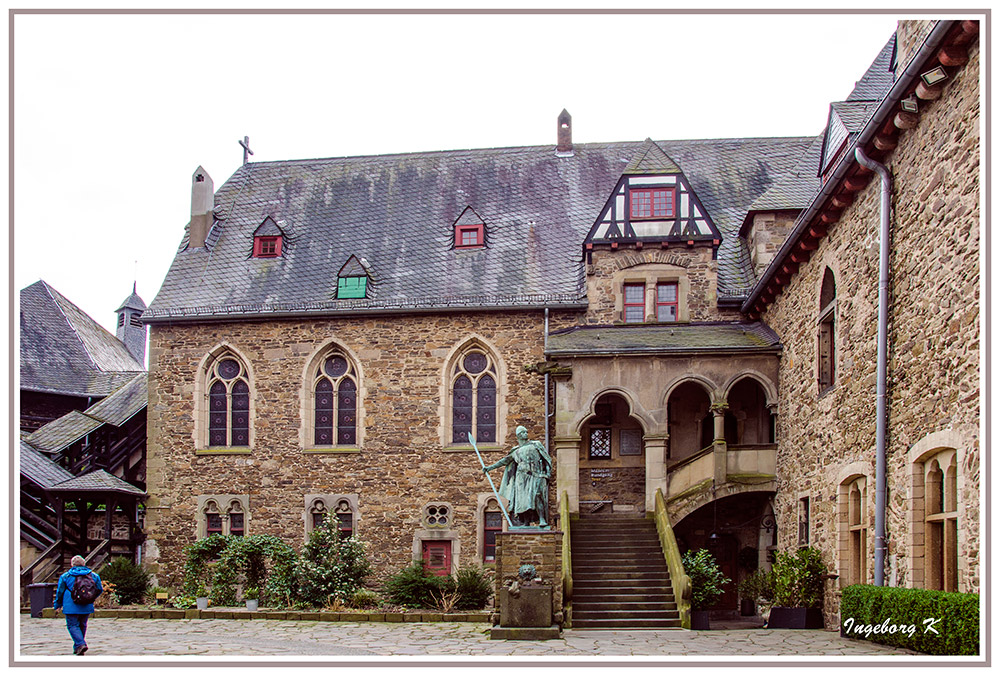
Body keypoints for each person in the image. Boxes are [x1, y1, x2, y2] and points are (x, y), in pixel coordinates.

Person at [484, 425, 553, 527]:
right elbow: (504, 461)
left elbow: (547, 459)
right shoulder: (515, 450)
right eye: (523, 432)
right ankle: (526, 522)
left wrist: (548, 473)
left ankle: (542, 519)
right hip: (521, 478)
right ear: (519, 435)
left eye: (526, 431)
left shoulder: (536, 445)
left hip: (536, 474)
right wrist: (490, 468)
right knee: (522, 500)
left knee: (537, 495)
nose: (526, 433)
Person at [53, 555, 103, 655]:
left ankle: (80, 643)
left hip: (70, 604)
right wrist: (91, 597)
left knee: (72, 625)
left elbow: (60, 592)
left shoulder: (66, 576)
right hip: (86, 604)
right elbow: (99, 589)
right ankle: (78, 647)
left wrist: (57, 604)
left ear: (72, 564)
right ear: (84, 564)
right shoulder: (93, 576)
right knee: (82, 624)